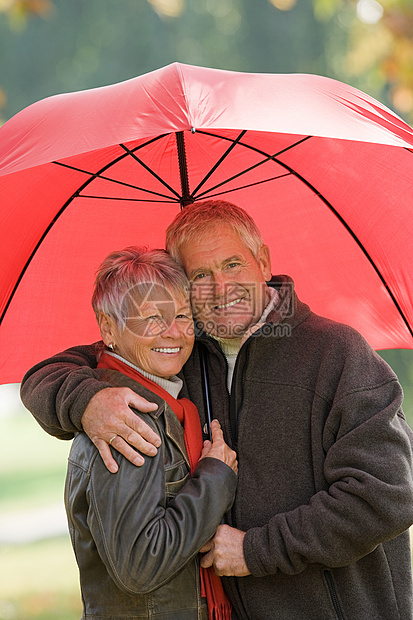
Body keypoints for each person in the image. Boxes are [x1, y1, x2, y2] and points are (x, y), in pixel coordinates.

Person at [21, 200, 413, 619]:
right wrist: (87, 401)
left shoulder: (336, 353)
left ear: (262, 262)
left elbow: (385, 496)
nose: (221, 288)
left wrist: (255, 550)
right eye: (200, 275)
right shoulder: (177, 351)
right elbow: (47, 374)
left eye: (232, 265)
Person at [60, 246, 238, 620]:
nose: (174, 333)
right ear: (108, 327)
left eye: (183, 315)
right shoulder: (125, 419)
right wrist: (216, 477)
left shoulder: (167, 404)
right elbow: (141, 563)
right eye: (153, 318)